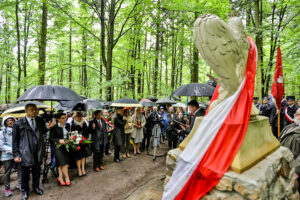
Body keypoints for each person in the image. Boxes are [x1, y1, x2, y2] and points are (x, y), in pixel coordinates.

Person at [12, 103, 53, 200]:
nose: (35, 111)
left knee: (37, 171)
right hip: (25, 152)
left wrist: (48, 127)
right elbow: (15, 141)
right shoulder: (19, 123)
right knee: (25, 173)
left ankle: (36, 187)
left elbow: (43, 131)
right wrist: (16, 154)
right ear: (26, 110)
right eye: (32, 109)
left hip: (38, 150)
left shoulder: (39, 120)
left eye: (35, 109)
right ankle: (24, 191)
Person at [279, 108, 300, 192]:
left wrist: (296, 171)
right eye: (295, 113)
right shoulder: (289, 126)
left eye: (298, 114)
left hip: (293, 171)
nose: (295, 115)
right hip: (282, 164)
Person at [0, 116, 21, 197]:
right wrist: (13, 150)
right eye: (8, 121)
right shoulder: (2, 132)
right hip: (7, 155)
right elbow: (1, 145)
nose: (10, 122)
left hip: (17, 153)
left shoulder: (17, 130)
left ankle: (20, 183)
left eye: (11, 120)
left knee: (20, 169)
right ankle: (7, 188)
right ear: (5, 122)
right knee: (7, 172)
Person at [49, 113, 71, 186]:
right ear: (58, 119)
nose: (64, 119)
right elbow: (51, 139)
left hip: (66, 146)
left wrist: (70, 136)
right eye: (62, 118)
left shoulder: (67, 125)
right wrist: (59, 140)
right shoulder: (54, 127)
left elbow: (68, 135)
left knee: (61, 163)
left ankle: (60, 178)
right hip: (57, 147)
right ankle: (67, 178)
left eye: (65, 117)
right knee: (63, 163)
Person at [70, 111, 89, 177]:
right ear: (75, 117)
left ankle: (83, 169)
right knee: (78, 157)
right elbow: (72, 133)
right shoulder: (73, 124)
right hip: (77, 143)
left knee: (83, 156)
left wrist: (84, 138)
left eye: (80, 117)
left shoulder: (84, 123)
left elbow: (87, 131)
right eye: (77, 117)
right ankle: (79, 170)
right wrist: (77, 138)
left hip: (83, 142)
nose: (79, 118)